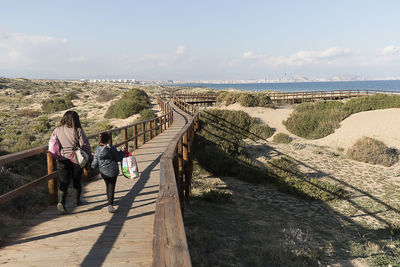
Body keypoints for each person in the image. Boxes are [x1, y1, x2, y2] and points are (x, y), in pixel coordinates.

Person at [52, 110, 92, 214]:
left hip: (62, 159)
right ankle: (77, 201)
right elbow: (85, 145)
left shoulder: (57, 130)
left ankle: (61, 202)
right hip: (76, 159)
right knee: (77, 180)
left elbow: (53, 144)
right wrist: (89, 157)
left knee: (64, 182)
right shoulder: (78, 130)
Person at [91, 132, 124, 213]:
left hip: (103, 171)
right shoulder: (112, 148)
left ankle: (109, 201)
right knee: (112, 186)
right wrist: (122, 151)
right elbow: (117, 158)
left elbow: (95, 162)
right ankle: (110, 204)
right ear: (109, 140)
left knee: (107, 185)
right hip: (113, 170)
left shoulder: (97, 149)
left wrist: (91, 168)